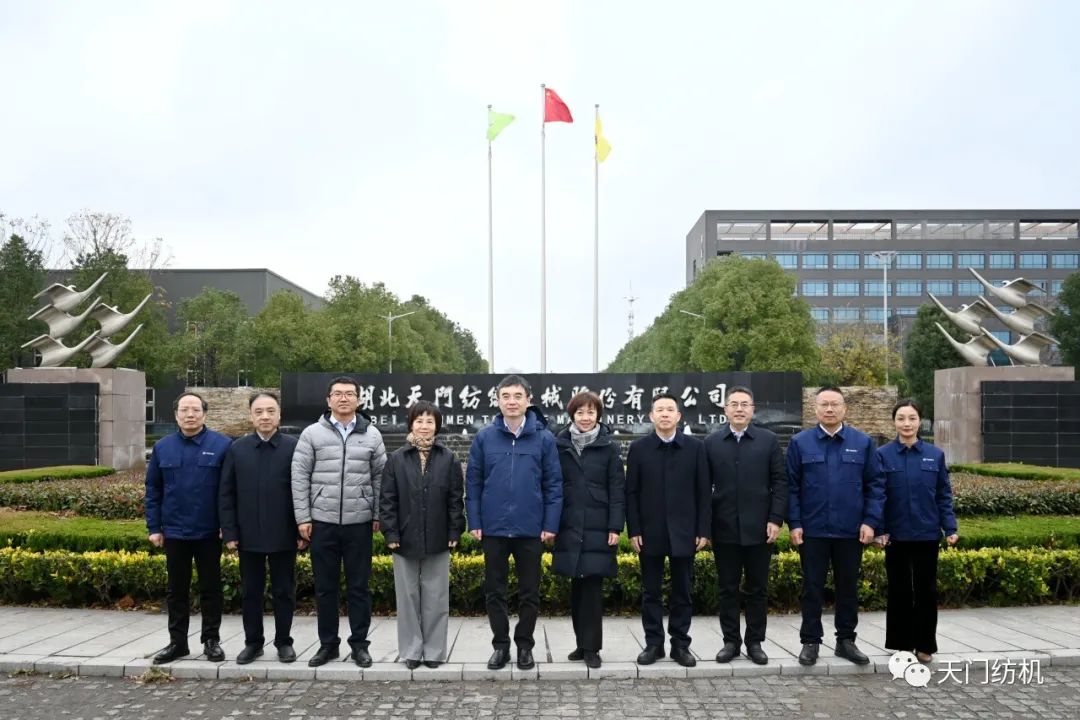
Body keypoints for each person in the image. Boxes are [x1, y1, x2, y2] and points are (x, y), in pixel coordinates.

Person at [466, 374, 563, 671]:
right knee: (494, 591)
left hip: (530, 528)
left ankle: (524, 646)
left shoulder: (544, 439)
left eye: (517, 396)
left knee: (529, 592)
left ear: (528, 400)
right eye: (506, 396)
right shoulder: (485, 437)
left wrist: (550, 524)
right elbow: (474, 482)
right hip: (493, 527)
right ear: (497, 401)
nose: (511, 401)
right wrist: (475, 520)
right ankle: (500, 646)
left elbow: (554, 484)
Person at [786, 386, 885, 667]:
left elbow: (876, 485)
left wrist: (870, 522)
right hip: (813, 530)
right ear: (815, 408)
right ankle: (810, 641)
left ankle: (846, 641)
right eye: (824, 404)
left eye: (835, 404)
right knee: (812, 588)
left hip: (850, 531)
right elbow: (791, 487)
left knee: (848, 587)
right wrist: (794, 523)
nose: (829, 409)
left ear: (844, 408)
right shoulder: (800, 443)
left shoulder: (862, 442)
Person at [292, 376, 386, 668]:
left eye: (349, 394)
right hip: (323, 522)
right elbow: (299, 476)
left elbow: (381, 477)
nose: (343, 398)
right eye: (338, 394)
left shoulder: (372, 434)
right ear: (328, 399)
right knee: (325, 588)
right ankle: (328, 645)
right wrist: (303, 517)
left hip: (359, 523)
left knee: (359, 588)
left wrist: (377, 513)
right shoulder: (312, 434)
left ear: (359, 399)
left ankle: (359, 645)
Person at [145, 392, 233, 665]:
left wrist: (227, 525)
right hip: (174, 531)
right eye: (184, 410)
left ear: (204, 414)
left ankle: (211, 640)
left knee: (211, 588)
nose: (190, 414)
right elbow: (153, 490)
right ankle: (178, 643)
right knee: (176, 590)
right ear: (176, 415)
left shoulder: (222, 445)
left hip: (209, 531)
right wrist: (154, 527)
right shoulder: (163, 447)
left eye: (195, 409)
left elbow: (229, 491)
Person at [626, 392, 711, 668]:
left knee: (682, 591)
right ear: (651, 416)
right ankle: (653, 644)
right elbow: (631, 493)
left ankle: (680, 644)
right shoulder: (639, 448)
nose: (664, 414)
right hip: (649, 532)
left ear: (678, 416)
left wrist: (703, 529)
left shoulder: (695, 448)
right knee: (651, 592)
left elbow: (704, 492)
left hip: (684, 532)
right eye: (659, 410)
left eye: (670, 409)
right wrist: (634, 529)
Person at [704, 386, 788, 665]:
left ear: (753, 409)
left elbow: (780, 482)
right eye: (734, 404)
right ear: (725, 409)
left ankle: (755, 642)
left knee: (757, 589)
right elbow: (702, 487)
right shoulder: (712, 443)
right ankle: (730, 642)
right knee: (727, 589)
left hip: (760, 529)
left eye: (745, 404)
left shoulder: (768, 440)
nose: (739, 409)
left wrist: (775, 519)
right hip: (724, 528)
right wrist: (705, 527)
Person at [379, 401, 465, 669]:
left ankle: (434, 652)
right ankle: (412, 651)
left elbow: (455, 499)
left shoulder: (448, 458)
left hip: (438, 536)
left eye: (430, 421)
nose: (424, 426)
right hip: (404, 538)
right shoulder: (396, 459)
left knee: (436, 596)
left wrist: (455, 529)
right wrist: (390, 532)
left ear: (437, 426)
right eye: (419, 421)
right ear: (411, 424)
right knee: (407, 597)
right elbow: (387, 500)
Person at [219, 391, 303, 665]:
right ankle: (253, 643)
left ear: (279, 415)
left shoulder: (294, 447)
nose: (265, 417)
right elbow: (226, 493)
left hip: (284, 533)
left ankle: (284, 642)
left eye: (270, 411)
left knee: (284, 591)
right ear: (251, 416)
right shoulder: (237, 449)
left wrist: (302, 530)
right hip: (248, 534)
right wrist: (230, 531)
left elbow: (303, 490)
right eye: (259, 412)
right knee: (251, 592)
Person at [877, 398, 959, 664]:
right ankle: (900, 644)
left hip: (926, 534)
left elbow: (943, 495)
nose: (907, 423)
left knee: (926, 591)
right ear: (894, 422)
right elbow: (877, 495)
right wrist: (879, 529)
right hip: (895, 535)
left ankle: (925, 645)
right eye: (901, 418)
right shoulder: (883, 455)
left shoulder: (934, 455)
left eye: (912, 418)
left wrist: (950, 527)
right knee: (899, 590)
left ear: (919, 421)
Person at [552, 391, 625, 669]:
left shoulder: (609, 448)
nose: (585, 417)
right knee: (576, 587)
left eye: (591, 412)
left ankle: (593, 647)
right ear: (572, 415)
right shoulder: (559, 445)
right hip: (569, 524)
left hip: (598, 525)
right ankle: (581, 644)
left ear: (598, 415)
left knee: (592, 587)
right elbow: (553, 486)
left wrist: (615, 526)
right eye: (580, 412)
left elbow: (617, 491)